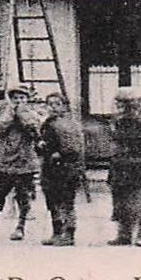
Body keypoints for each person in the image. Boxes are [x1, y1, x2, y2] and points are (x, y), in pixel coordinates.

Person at [0, 86, 40, 240]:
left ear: (27, 100)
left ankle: (20, 227)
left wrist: (23, 116)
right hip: (3, 160)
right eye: (15, 98)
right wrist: (11, 115)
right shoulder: (5, 114)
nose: (19, 101)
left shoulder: (32, 115)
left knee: (23, 196)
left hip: (24, 162)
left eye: (22, 98)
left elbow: (35, 130)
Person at [107, 87, 141, 246]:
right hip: (119, 165)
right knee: (120, 200)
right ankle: (124, 234)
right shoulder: (117, 122)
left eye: (123, 104)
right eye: (118, 104)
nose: (119, 107)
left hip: (138, 167)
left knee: (139, 201)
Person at [38, 91, 85, 247]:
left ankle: (69, 233)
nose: (53, 107)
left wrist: (60, 153)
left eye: (57, 104)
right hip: (50, 168)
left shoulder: (69, 124)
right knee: (52, 201)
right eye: (50, 104)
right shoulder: (47, 124)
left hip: (66, 169)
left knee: (66, 202)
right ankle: (57, 232)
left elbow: (74, 148)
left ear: (64, 106)